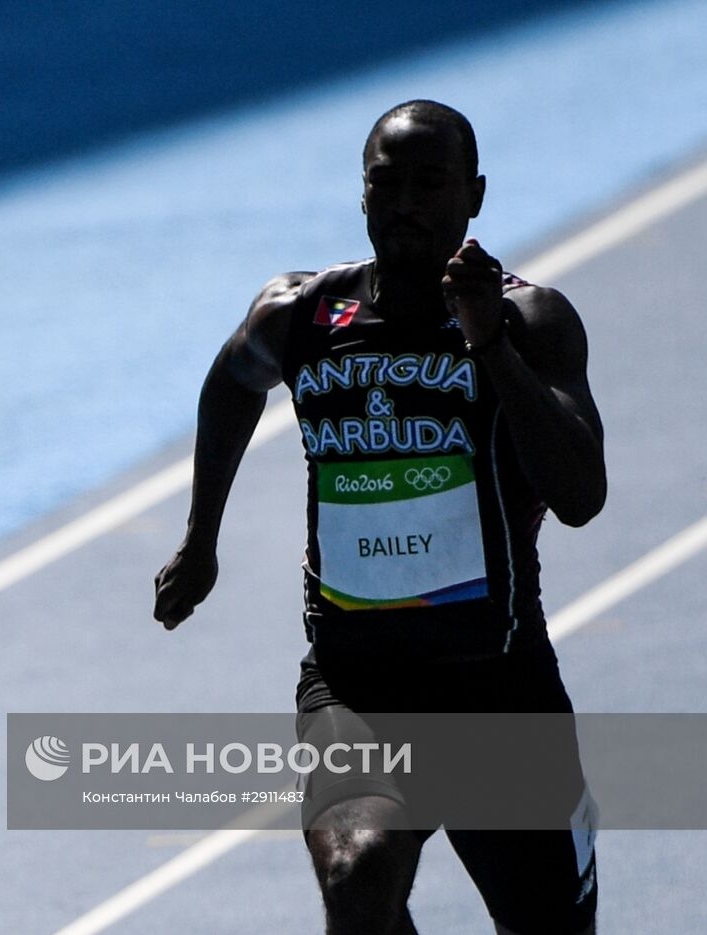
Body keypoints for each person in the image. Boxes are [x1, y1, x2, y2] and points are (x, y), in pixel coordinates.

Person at [153, 101, 605, 934]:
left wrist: (489, 345)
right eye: (385, 183)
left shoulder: (532, 320)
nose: (404, 202)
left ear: (473, 197)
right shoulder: (300, 316)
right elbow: (230, 385)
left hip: (499, 685)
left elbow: (581, 497)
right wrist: (201, 539)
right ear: (361, 196)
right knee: (359, 880)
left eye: (429, 184)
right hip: (356, 683)